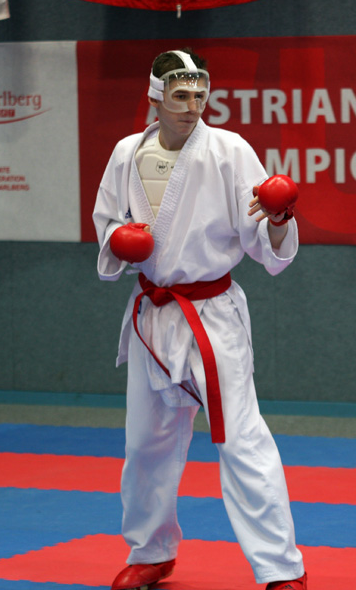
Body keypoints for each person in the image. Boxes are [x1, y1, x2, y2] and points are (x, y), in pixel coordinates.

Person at [93, 48, 307, 590]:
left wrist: (279, 218)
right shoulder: (126, 153)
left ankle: (282, 568)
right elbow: (107, 221)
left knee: (241, 439)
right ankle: (151, 552)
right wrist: (118, 240)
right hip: (152, 314)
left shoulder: (229, 151)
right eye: (181, 96)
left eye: (200, 95)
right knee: (146, 442)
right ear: (155, 98)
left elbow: (264, 239)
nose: (192, 106)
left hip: (212, 316)